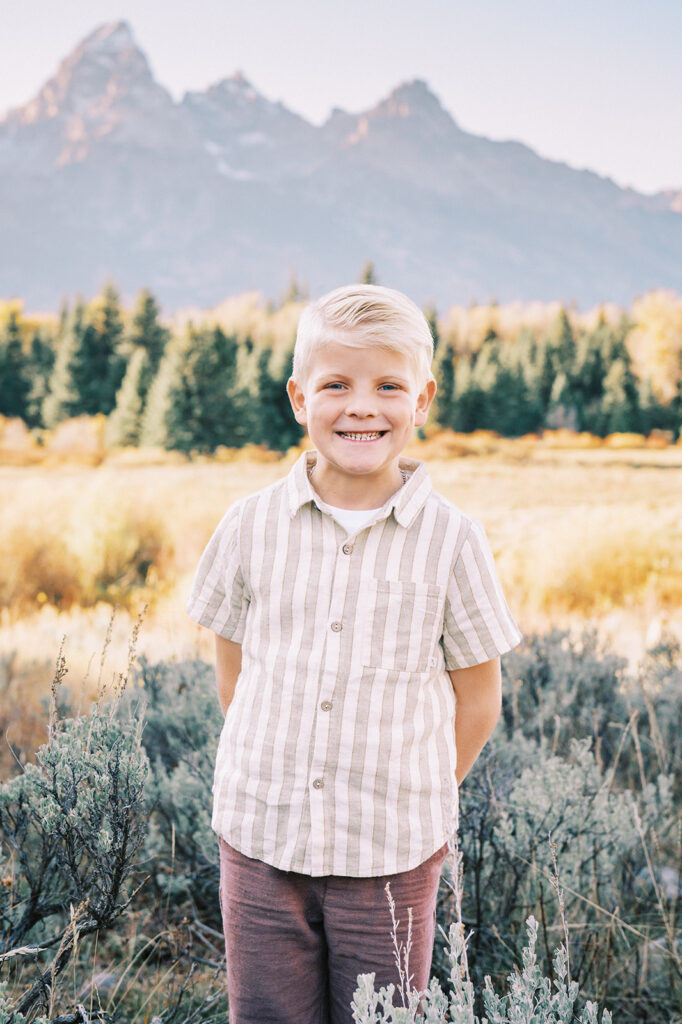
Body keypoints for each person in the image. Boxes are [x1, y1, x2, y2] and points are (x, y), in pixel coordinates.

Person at [187, 284, 522, 1024]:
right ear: (299, 397)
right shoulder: (249, 526)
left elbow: (478, 699)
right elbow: (232, 664)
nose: (361, 406)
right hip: (261, 835)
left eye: (388, 386)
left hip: (391, 853)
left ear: (423, 399)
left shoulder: (452, 540)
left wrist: (419, 792)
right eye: (336, 384)